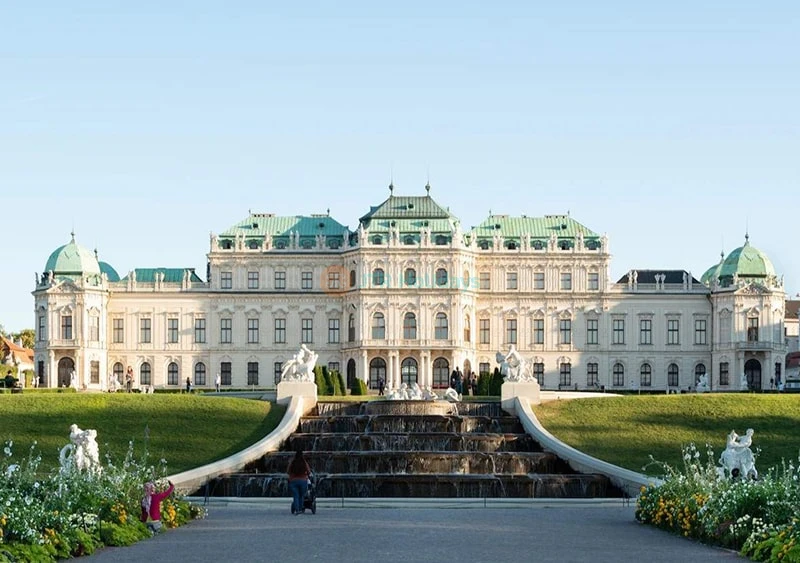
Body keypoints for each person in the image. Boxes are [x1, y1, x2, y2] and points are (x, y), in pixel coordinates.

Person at [287, 449, 311, 515]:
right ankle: (300, 509)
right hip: (303, 481)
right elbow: (309, 471)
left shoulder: (292, 462)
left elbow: (288, 471)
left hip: (293, 481)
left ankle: (297, 510)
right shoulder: (304, 462)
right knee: (301, 496)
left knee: (296, 496)